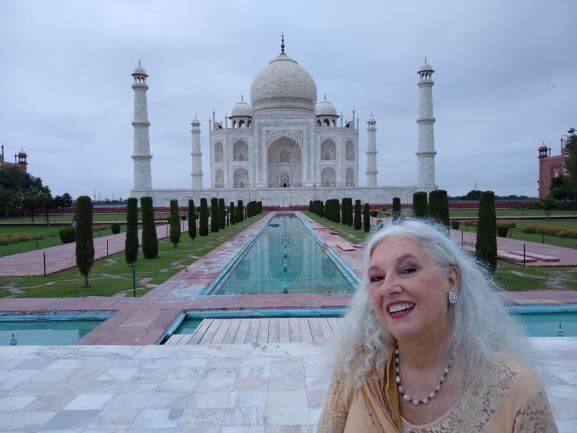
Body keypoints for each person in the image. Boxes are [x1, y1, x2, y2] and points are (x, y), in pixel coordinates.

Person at [317, 219, 557, 433]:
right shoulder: (358, 371)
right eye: (376, 278)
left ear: (451, 281)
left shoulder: (516, 392)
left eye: (408, 270)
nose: (389, 287)